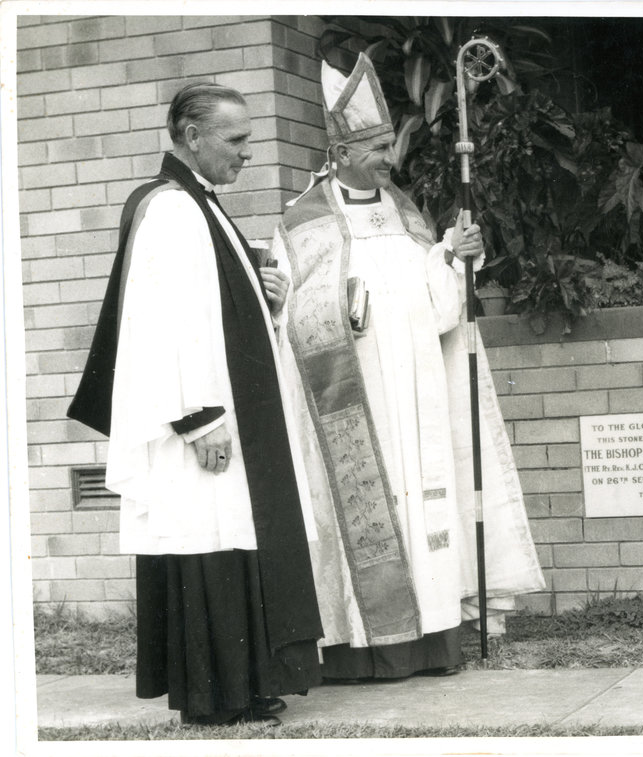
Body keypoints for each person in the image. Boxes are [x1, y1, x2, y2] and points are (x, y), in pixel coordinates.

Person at [269, 53, 545, 681]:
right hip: (350, 396)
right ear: (340, 152)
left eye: (387, 144)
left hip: (415, 396)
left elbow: (442, 309)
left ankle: (430, 642)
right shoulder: (302, 221)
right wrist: (335, 308)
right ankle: (361, 652)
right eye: (372, 147)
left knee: (422, 510)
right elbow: (285, 310)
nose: (386, 158)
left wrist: (452, 256)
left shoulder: (408, 212)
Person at [67, 82, 324, 726]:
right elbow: (163, 325)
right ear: (191, 138)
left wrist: (260, 293)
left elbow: (211, 311)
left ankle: (240, 687)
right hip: (202, 423)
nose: (247, 153)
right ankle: (218, 697)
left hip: (217, 413)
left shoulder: (200, 205)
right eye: (235, 141)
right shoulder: (174, 209)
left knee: (229, 541)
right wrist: (199, 417)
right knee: (209, 541)